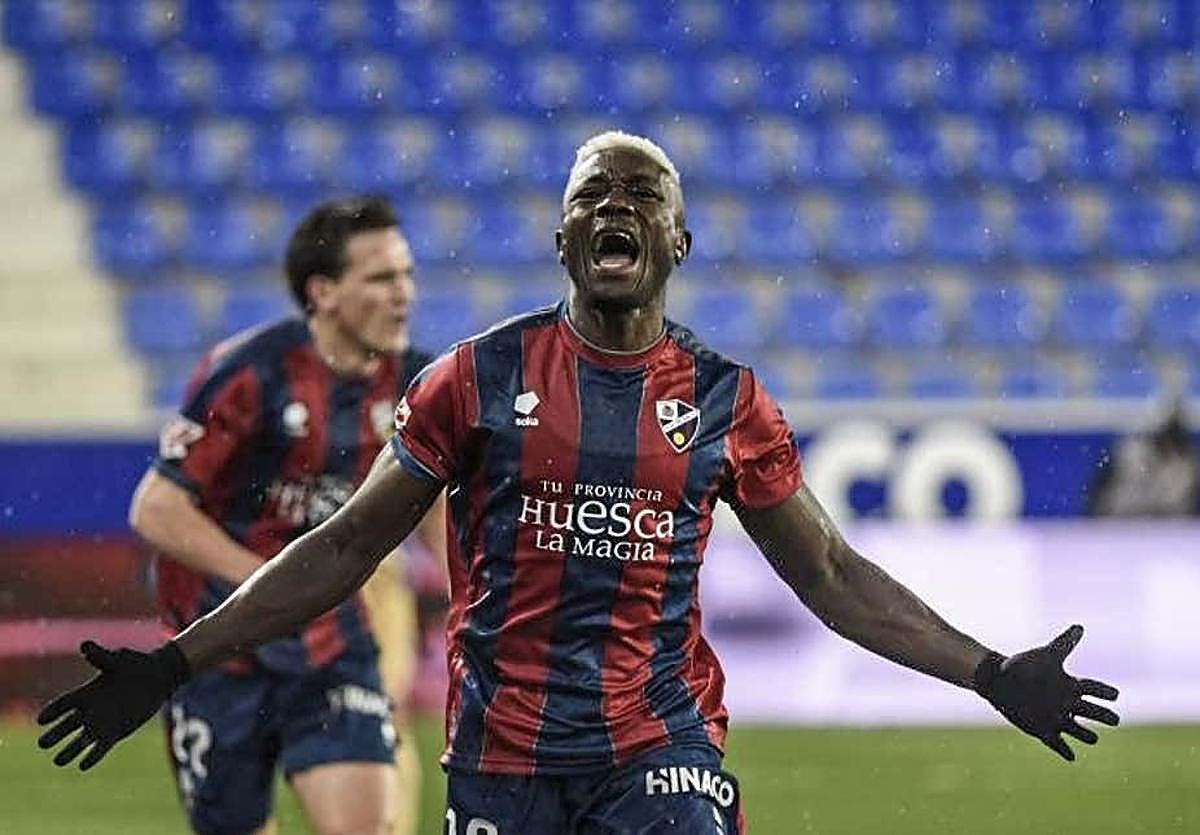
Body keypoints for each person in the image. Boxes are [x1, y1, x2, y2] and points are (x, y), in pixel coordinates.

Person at [38, 134, 1119, 834]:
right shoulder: (472, 380)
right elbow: (342, 548)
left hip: (660, 745)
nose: (618, 205)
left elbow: (831, 572)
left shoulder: (726, 401)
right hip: (501, 762)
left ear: (677, 239)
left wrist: (987, 672)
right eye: (593, 192)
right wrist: (175, 661)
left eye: (642, 194)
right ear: (563, 235)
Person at [119, 196, 443, 835]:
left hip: (333, 641)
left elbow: (430, 501)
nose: (403, 293)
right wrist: (271, 586)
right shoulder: (250, 375)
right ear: (323, 292)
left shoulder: (416, 384)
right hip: (218, 644)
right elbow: (155, 508)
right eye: (381, 278)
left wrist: (474, 600)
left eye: (407, 275)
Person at [1089, 398, 1200, 517]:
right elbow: (1102, 494)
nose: (1168, 441)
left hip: (1167, 523)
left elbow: (1183, 504)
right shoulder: (1131, 452)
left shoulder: (1186, 462)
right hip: (1122, 519)